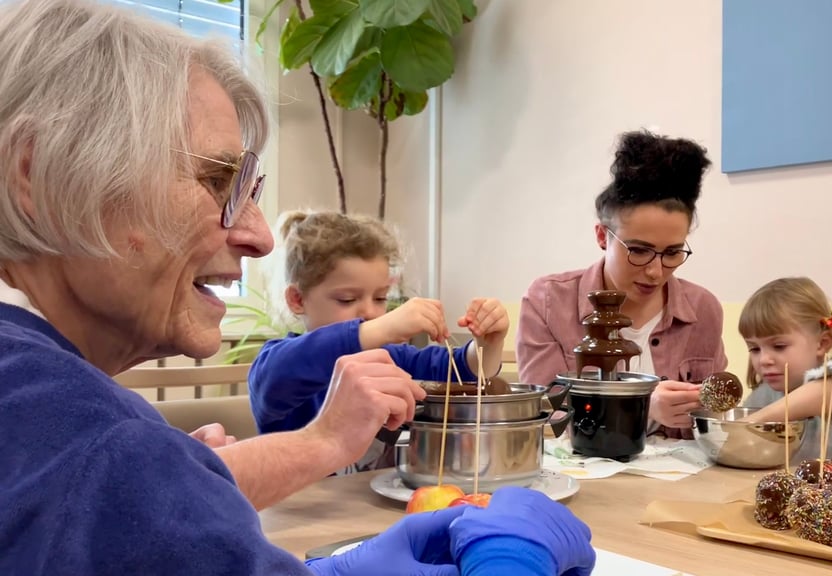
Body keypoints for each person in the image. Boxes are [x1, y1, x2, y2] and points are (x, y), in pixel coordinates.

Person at [0, 1, 593, 574]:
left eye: (253, 193)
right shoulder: (92, 445)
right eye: (216, 180)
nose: (259, 236)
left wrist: (188, 475)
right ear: (42, 173)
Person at [248, 210, 509, 473]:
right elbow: (286, 370)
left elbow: (460, 371)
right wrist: (379, 328)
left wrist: (488, 343)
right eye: (347, 299)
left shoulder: (389, 357)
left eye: (381, 298)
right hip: (299, 512)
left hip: (372, 511)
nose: (371, 312)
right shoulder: (279, 365)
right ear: (298, 300)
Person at [516, 129, 727, 438]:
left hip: (684, 482)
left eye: (672, 253)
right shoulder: (548, 302)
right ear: (603, 236)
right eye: (639, 251)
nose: (656, 271)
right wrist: (642, 408)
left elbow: (713, 420)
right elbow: (547, 418)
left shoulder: (703, 309)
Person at [740, 277, 832, 462]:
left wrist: (753, 420)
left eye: (779, 346)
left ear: (822, 343)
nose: (764, 360)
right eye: (754, 349)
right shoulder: (765, 395)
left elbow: (829, 389)